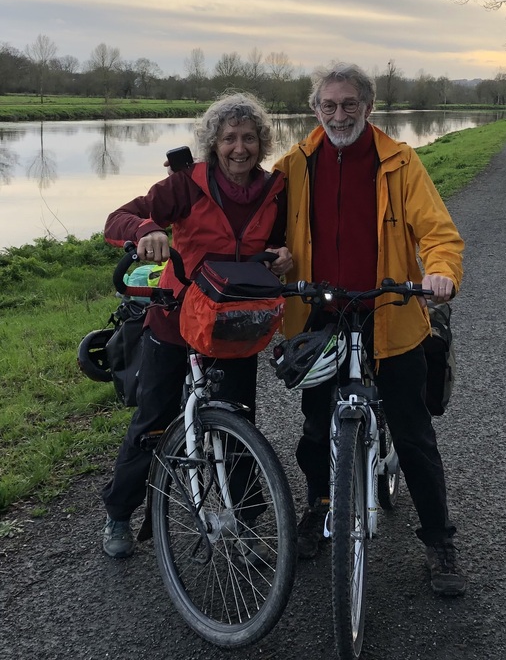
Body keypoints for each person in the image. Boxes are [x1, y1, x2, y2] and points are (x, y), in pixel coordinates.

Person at [272, 63, 466, 597]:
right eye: (328, 105)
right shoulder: (293, 164)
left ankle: (438, 541)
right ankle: (322, 506)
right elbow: (260, 228)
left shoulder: (401, 162)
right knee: (315, 431)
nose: (339, 114)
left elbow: (439, 232)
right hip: (319, 316)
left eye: (349, 104)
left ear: (368, 107)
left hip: (390, 312)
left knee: (412, 432)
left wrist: (440, 272)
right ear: (315, 110)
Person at [101, 93, 292, 559]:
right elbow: (117, 219)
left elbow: (283, 243)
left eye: (249, 138)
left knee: (239, 422)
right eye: (229, 138)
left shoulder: (275, 190)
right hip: (176, 321)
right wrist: (147, 229)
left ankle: (245, 521)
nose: (239, 148)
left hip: (236, 325)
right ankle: (119, 513)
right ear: (214, 143)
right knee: (152, 423)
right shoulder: (186, 185)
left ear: (261, 143)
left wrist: (286, 255)